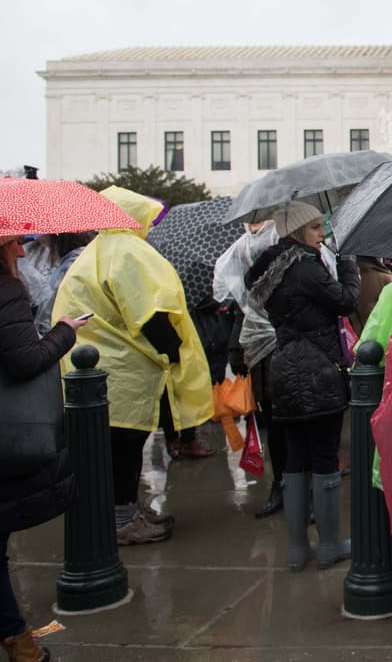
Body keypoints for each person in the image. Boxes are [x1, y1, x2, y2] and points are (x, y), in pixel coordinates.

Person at [52, 186, 214, 547]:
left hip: (96, 369)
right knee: (126, 448)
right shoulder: (126, 251)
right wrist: (172, 352)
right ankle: (123, 520)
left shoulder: (97, 251)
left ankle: (123, 511)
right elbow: (149, 312)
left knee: (114, 448)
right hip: (123, 370)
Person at [245, 201, 360, 570]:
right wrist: (347, 265)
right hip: (317, 370)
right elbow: (345, 301)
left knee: (295, 460)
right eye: (313, 228)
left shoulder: (272, 268)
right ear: (295, 232)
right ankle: (327, 545)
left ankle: (297, 550)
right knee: (324, 458)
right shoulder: (305, 268)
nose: (321, 234)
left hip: (284, 370)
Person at [0, 236, 87, 662]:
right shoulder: (6, 291)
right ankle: (19, 640)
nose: (20, 251)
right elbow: (24, 361)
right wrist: (64, 333)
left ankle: (17, 637)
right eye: (12, 242)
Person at [215, 221, 288, 518]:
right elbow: (240, 316)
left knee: (293, 428)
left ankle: (297, 490)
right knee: (274, 429)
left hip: (289, 358)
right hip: (261, 364)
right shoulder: (244, 277)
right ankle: (280, 485)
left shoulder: (293, 265)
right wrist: (237, 355)